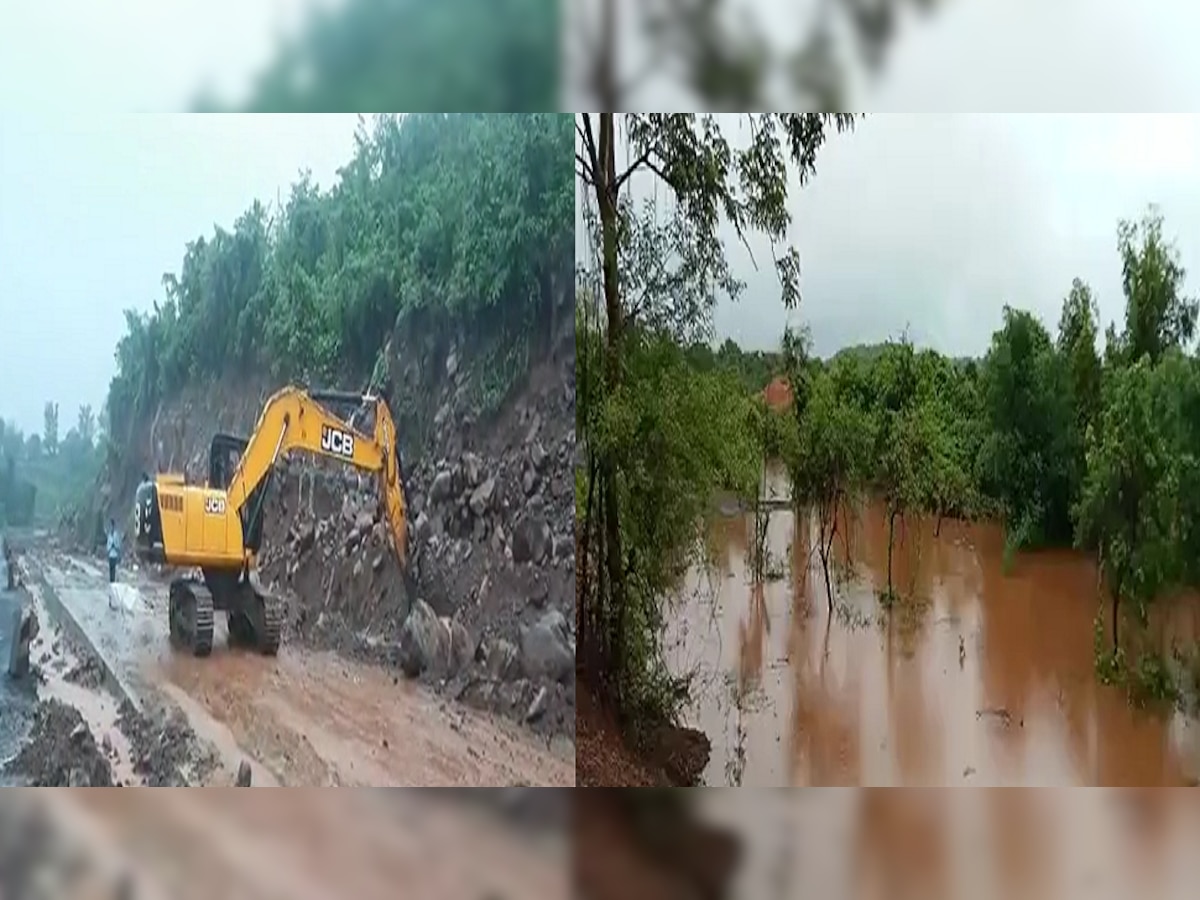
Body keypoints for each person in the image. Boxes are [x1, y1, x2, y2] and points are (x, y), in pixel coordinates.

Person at [106, 518, 121, 584]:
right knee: (110, 568)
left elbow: (118, 544)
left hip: (115, 554)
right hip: (110, 554)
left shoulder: (116, 535)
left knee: (114, 568)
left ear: (114, 526)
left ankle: (113, 581)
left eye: (112, 526)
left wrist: (114, 546)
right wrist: (109, 548)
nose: (111, 527)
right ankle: (111, 580)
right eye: (110, 526)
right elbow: (108, 544)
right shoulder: (109, 535)